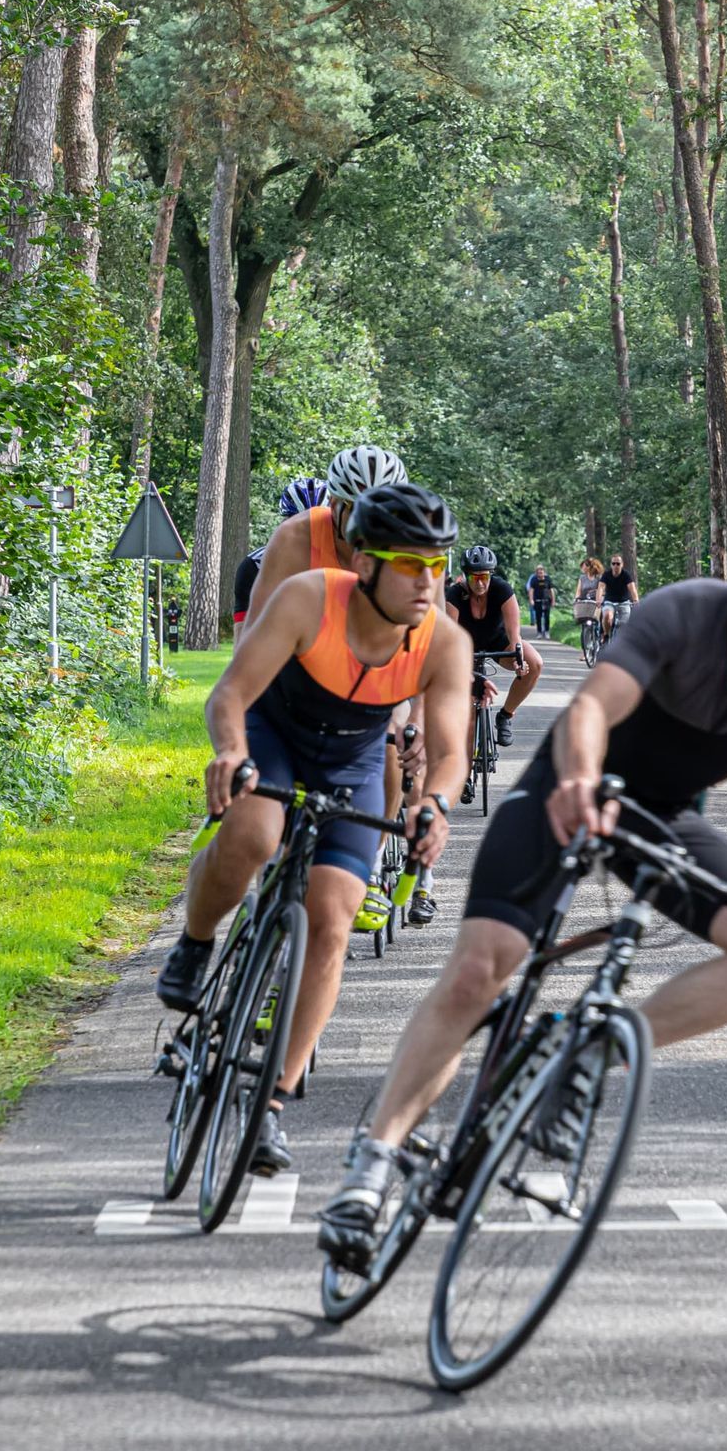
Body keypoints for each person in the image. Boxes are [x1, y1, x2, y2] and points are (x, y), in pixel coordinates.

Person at [318, 480, 727, 1259]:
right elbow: (593, 707)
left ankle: (593, 1054)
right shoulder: (692, 613)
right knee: (482, 968)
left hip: (663, 817)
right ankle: (372, 1164)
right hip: (570, 787)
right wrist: (578, 782)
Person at [155, 484, 471, 1176]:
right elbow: (230, 694)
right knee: (253, 835)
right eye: (409, 564)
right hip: (273, 733)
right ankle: (196, 942)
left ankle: (272, 1100)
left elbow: (451, 754)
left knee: (333, 916)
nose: (427, 583)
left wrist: (435, 805)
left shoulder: (444, 642)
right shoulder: (310, 598)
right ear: (365, 564)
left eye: (436, 566)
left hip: (351, 759)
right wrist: (231, 752)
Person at [244, 448, 431, 928]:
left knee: (393, 745)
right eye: (359, 511)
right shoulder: (297, 537)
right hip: (295, 674)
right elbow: (255, 635)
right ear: (335, 506)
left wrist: (418, 723)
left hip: (371, 681)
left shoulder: (415, 549)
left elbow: (427, 648)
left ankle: (368, 863)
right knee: (253, 835)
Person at [444, 545, 543, 748]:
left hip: (498, 640)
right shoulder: (454, 594)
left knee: (534, 663)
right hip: (465, 646)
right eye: (474, 578)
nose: (480, 583)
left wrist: (518, 660)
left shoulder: (502, 589)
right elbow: (450, 639)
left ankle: (505, 715)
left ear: (491, 575)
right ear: (466, 577)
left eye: (484, 577)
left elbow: (514, 634)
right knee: (469, 711)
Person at [233, 476, 330, 639]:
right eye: (300, 524)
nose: (311, 532)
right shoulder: (254, 566)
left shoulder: (351, 561)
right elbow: (243, 634)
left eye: (319, 523)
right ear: (285, 523)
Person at [598, 552, 638, 641]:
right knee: (607, 616)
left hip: (624, 603)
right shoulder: (606, 574)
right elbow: (601, 587)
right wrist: (598, 599)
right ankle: (606, 635)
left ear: (622, 565)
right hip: (609, 602)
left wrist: (635, 600)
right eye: (613, 563)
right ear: (611, 565)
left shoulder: (626, 575)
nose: (615, 566)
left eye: (618, 564)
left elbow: (632, 589)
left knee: (624, 625)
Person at [525, 565, 555, 639]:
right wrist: (531, 600)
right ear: (536, 573)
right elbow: (531, 590)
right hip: (537, 601)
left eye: (541, 572)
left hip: (546, 601)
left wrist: (553, 600)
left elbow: (551, 590)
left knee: (547, 617)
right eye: (538, 572)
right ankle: (539, 632)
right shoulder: (534, 580)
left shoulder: (548, 579)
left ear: (544, 572)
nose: (540, 574)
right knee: (538, 617)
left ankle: (547, 631)